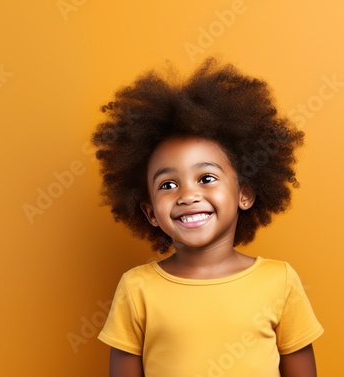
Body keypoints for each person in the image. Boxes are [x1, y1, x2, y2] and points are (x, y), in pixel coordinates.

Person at [92, 58, 323, 377]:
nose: (187, 195)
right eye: (168, 184)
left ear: (245, 193)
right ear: (150, 212)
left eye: (206, 178)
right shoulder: (137, 288)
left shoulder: (280, 281)